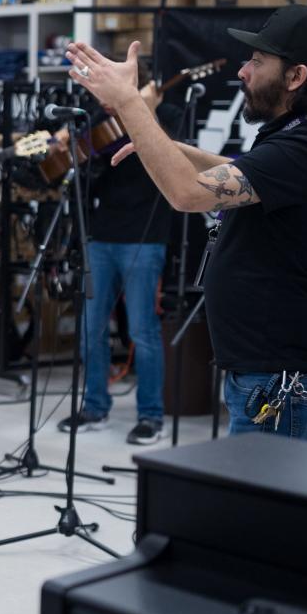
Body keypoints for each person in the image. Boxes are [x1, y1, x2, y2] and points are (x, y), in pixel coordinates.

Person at [67, 4, 307, 442]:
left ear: (295, 77)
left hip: (282, 381)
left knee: (265, 510)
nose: (243, 72)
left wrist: (128, 101)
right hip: (266, 375)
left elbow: (187, 194)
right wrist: (165, 146)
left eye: (257, 62)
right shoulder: (299, 136)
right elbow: (245, 173)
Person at [57, 61, 181, 445]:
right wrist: (68, 145)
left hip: (144, 236)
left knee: (142, 331)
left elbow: (174, 161)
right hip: (101, 234)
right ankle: (94, 406)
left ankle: (151, 416)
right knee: (90, 328)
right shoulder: (94, 119)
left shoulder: (167, 114)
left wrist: (143, 112)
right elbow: (85, 172)